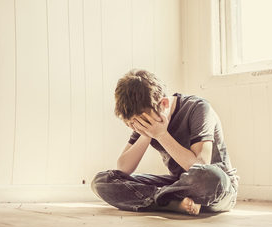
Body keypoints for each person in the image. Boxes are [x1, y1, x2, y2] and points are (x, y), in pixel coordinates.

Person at [91, 69, 238, 215]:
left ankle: (160, 201)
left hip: (216, 188)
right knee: (102, 181)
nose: (139, 126)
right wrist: (147, 135)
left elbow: (201, 165)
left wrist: (161, 134)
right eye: (134, 124)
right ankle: (171, 203)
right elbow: (123, 169)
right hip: (178, 185)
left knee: (210, 176)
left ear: (164, 104)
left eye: (143, 122)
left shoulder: (198, 108)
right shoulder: (145, 121)